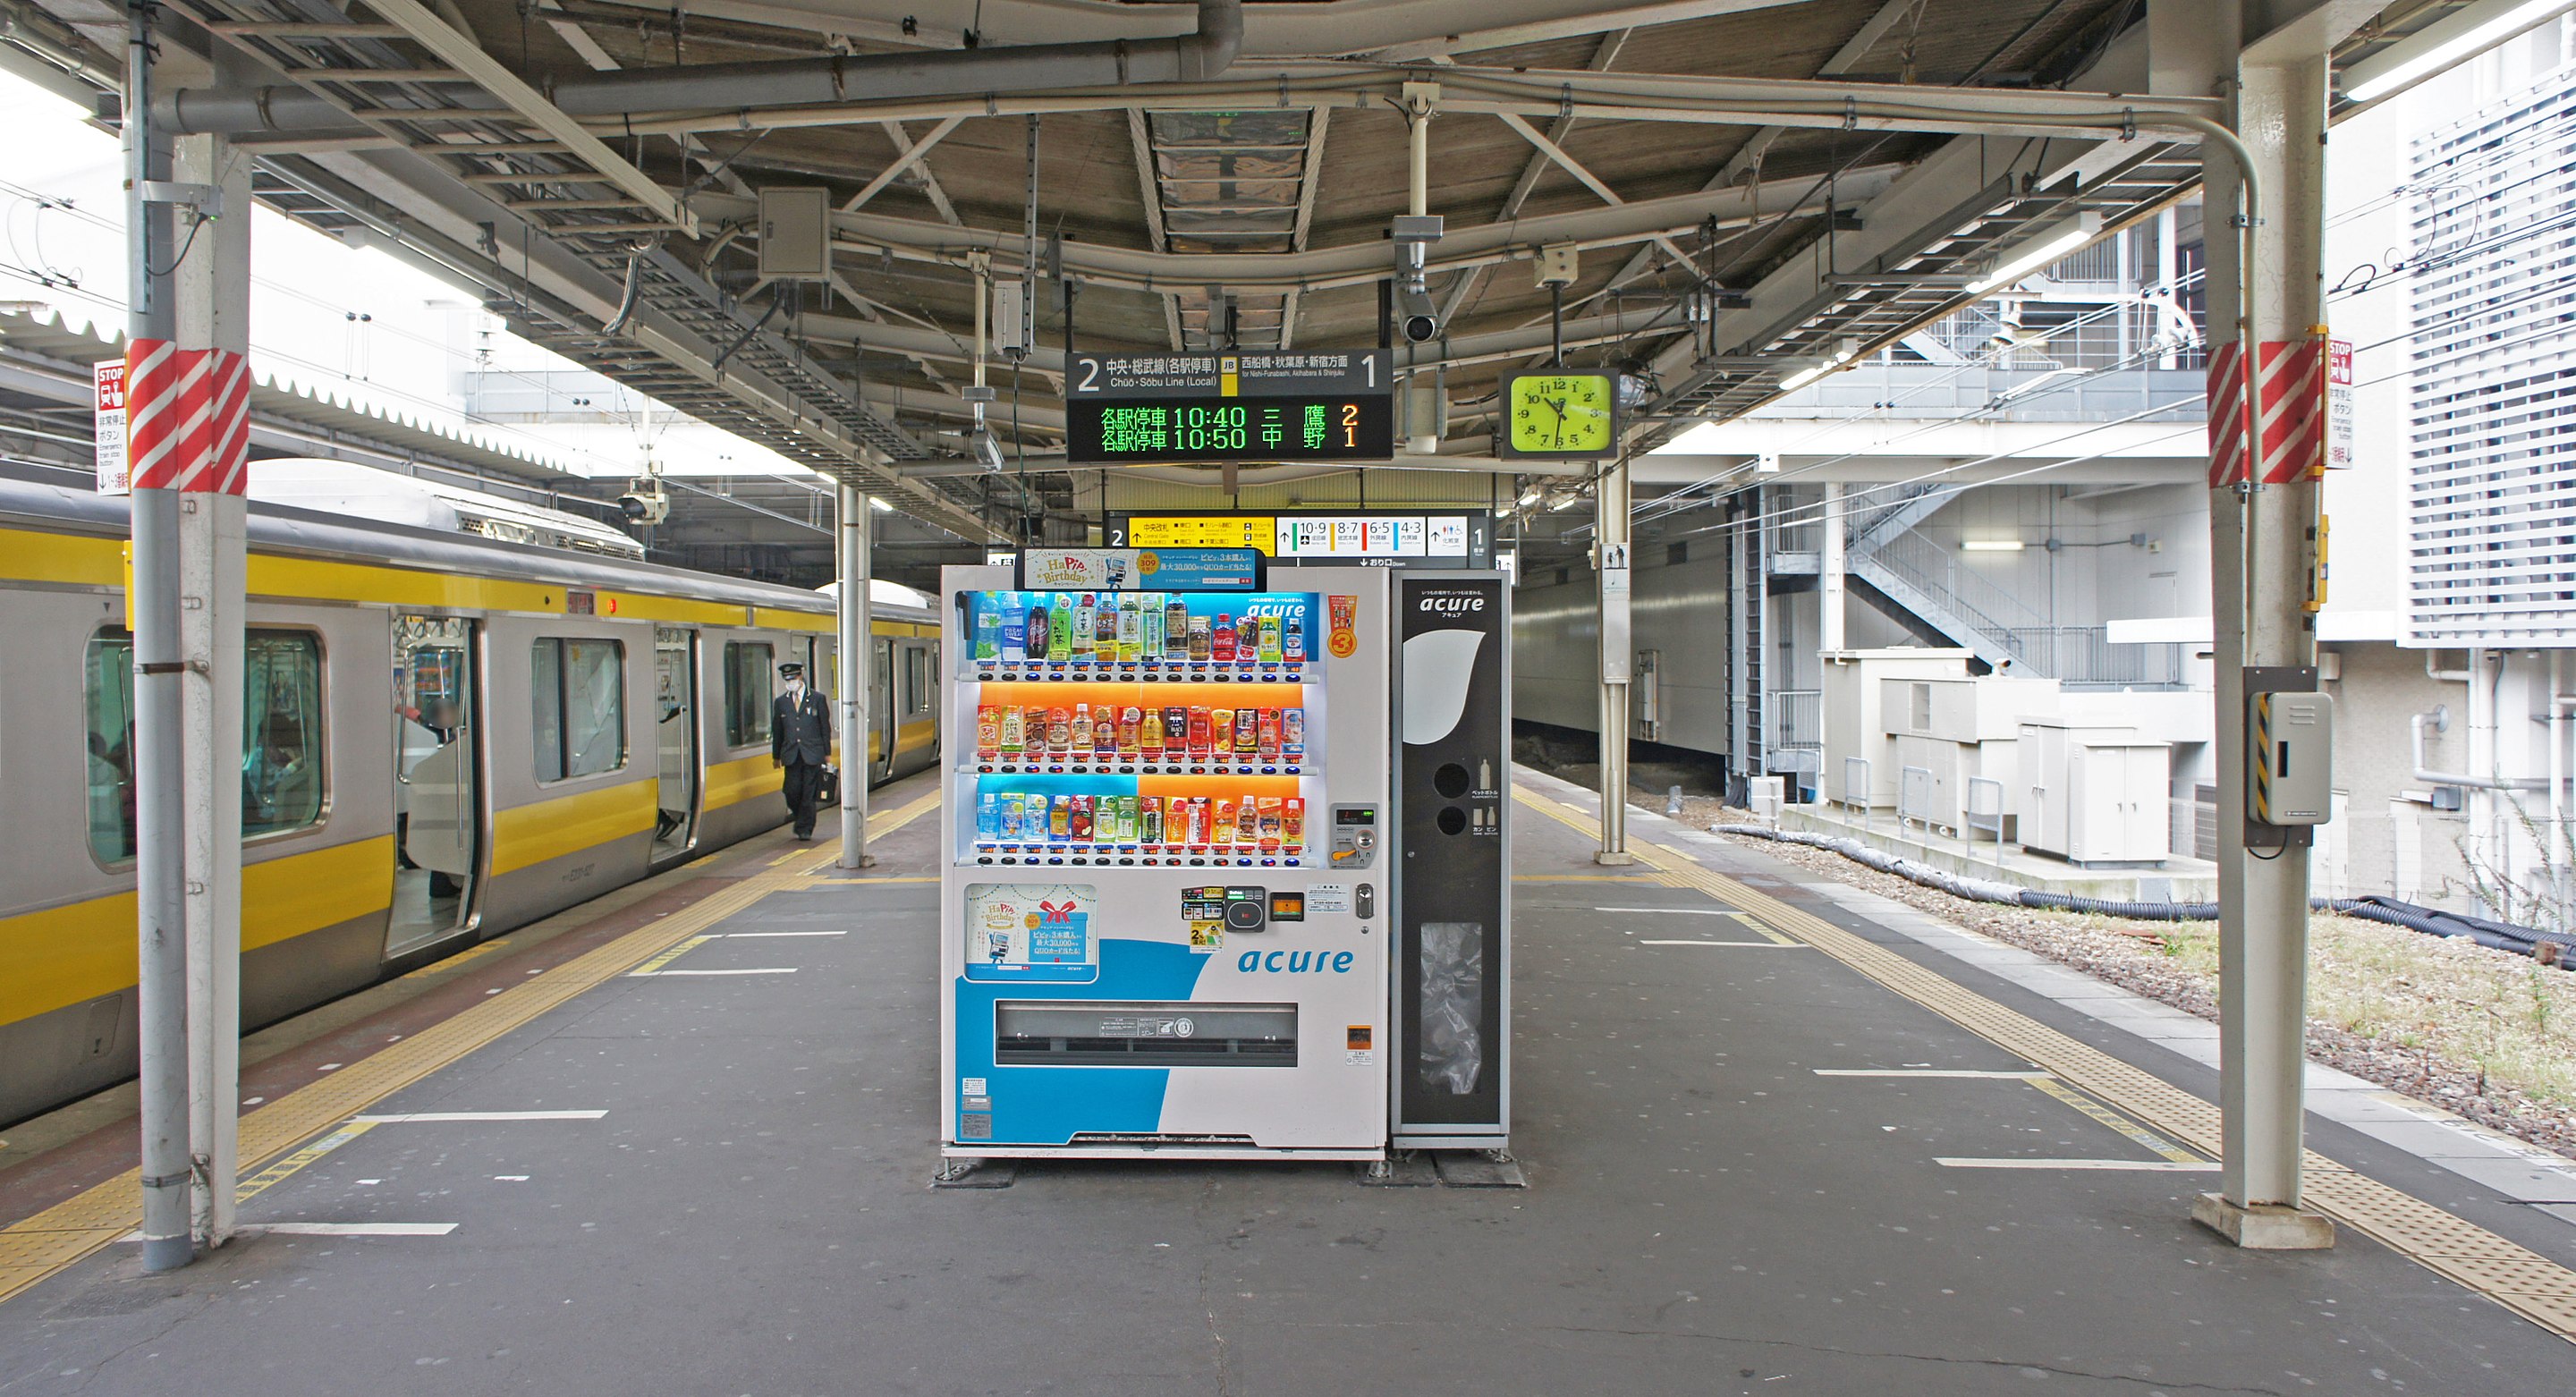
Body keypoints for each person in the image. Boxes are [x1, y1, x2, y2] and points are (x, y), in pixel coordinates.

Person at [771, 660, 833, 841]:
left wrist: (827, 754)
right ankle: (801, 818)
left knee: (808, 792)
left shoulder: (817, 698)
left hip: (813, 754)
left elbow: (824, 728)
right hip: (791, 754)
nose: (790, 681)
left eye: (793, 678)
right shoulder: (781, 702)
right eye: (787, 679)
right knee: (791, 791)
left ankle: (805, 828)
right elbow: (778, 731)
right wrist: (776, 756)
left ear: (800, 676)